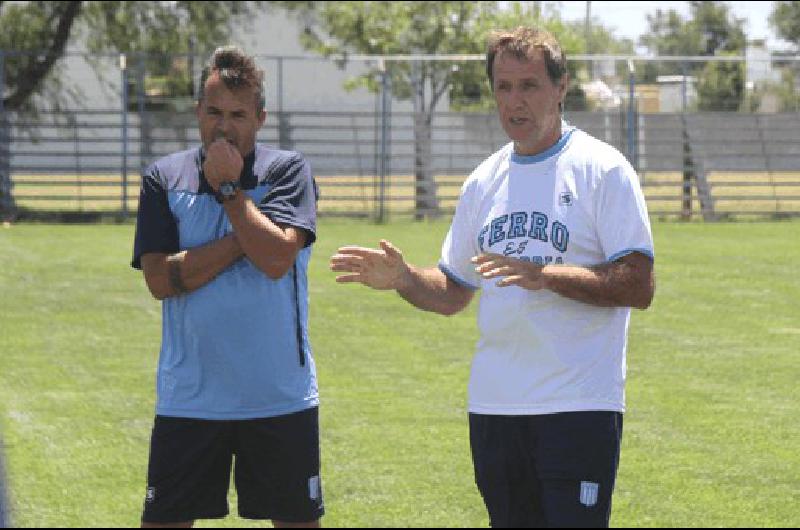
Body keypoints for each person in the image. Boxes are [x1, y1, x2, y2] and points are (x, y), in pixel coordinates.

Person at [330, 27, 655, 528]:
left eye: (529, 85)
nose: (515, 101)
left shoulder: (602, 170)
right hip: (495, 409)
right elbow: (454, 291)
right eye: (503, 87)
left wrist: (546, 275)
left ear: (561, 86)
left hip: (578, 406)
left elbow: (637, 283)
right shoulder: (484, 182)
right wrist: (404, 278)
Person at [132, 46, 322, 528]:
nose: (224, 126)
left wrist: (230, 194)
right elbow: (160, 281)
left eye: (238, 114)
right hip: (190, 397)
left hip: (278, 396)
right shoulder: (163, 178)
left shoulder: (287, 172)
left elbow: (278, 260)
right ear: (198, 111)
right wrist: (248, 238)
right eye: (213, 111)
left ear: (260, 118)